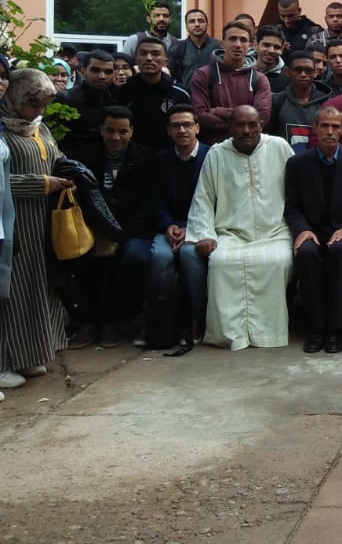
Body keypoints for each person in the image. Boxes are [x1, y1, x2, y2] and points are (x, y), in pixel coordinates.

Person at [186, 106, 294, 350]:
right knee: (220, 263)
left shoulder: (279, 147)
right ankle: (229, 335)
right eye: (240, 125)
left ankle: (268, 335)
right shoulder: (217, 154)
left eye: (252, 124)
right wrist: (204, 234)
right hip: (231, 233)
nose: (247, 130)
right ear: (230, 127)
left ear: (261, 125)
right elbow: (203, 198)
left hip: (275, 231)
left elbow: (296, 191)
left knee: (277, 261)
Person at [0, 71, 74, 391]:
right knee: (13, 292)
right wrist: (42, 184)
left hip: (42, 222)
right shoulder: (3, 132)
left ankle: (29, 353)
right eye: (34, 104)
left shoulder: (39, 127)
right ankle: (4, 361)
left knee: (38, 287)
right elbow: (2, 182)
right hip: (14, 222)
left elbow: (56, 158)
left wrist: (70, 174)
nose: (38, 111)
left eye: (43, 105)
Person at [71, 106, 157, 347]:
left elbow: (149, 206)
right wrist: (101, 233)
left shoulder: (147, 158)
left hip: (132, 230)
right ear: (101, 130)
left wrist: (118, 236)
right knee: (78, 257)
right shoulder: (85, 158)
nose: (116, 137)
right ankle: (88, 322)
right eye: (110, 131)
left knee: (133, 259)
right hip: (95, 228)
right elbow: (83, 201)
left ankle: (114, 321)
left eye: (122, 131)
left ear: (131, 131)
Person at [284, 106, 342, 354]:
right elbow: (292, 207)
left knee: (340, 252)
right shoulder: (297, 163)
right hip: (311, 229)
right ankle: (315, 328)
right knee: (306, 254)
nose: (330, 131)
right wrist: (302, 230)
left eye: (335, 127)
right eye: (324, 126)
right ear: (315, 129)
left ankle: (335, 329)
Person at [149, 104, 209, 347]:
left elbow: (217, 199)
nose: (182, 130)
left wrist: (190, 228)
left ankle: (198, 316)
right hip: (169, 227)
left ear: (197, 128)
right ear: (168, 130)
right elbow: (154, 199)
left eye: (187, 125)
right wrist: (168, 225)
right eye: (176, 126)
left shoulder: (212, 156)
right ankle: (159, 319)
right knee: (160, 256)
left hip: (201, 225)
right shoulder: (160, 159)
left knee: (189, 254)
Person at [188, 20, 272, 145]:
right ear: (222, 43)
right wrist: (247, 122)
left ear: (250, 45)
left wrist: (219, 111)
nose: (238, 44)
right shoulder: (203, 75)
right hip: (213, 149)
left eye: (243, 40)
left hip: (248, 149)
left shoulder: (259, 79)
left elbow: (262, 119)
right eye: (232, 39)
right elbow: (200, 117)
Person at [111, 36, 192, 150]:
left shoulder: (180, 93)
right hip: (133, 155)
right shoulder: (123, 91)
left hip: (168, 155)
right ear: (136, 59)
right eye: (143, 53)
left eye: (155, 54)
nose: (149, 58)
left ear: (165, 61)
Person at [270, 49, 332, 151]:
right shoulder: (277, 101)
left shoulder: (327, 103)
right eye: (297, 70)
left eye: (308, 70)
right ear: (287, 72)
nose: (303, 74)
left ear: (315, 72)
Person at [60, 49, 116, 157]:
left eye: (108, 72)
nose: (102, 76)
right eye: (95, 70)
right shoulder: (66, 99)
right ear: (83, 71)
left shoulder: (117, 99)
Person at [167, 8, 220, 88]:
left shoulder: (218, 47)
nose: (197, 24)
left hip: (213, 94)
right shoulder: (177, 48)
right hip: (187, 94)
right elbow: (169, 76)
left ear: (207, 24)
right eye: (192, 21)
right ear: (186, 26)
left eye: (201, 21)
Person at [253, 25, 287, 93]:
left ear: (282, 50)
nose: (271, 50)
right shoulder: (242, 70)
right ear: (256, 45)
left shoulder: (288, 78)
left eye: (277, 47)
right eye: (266, 45)